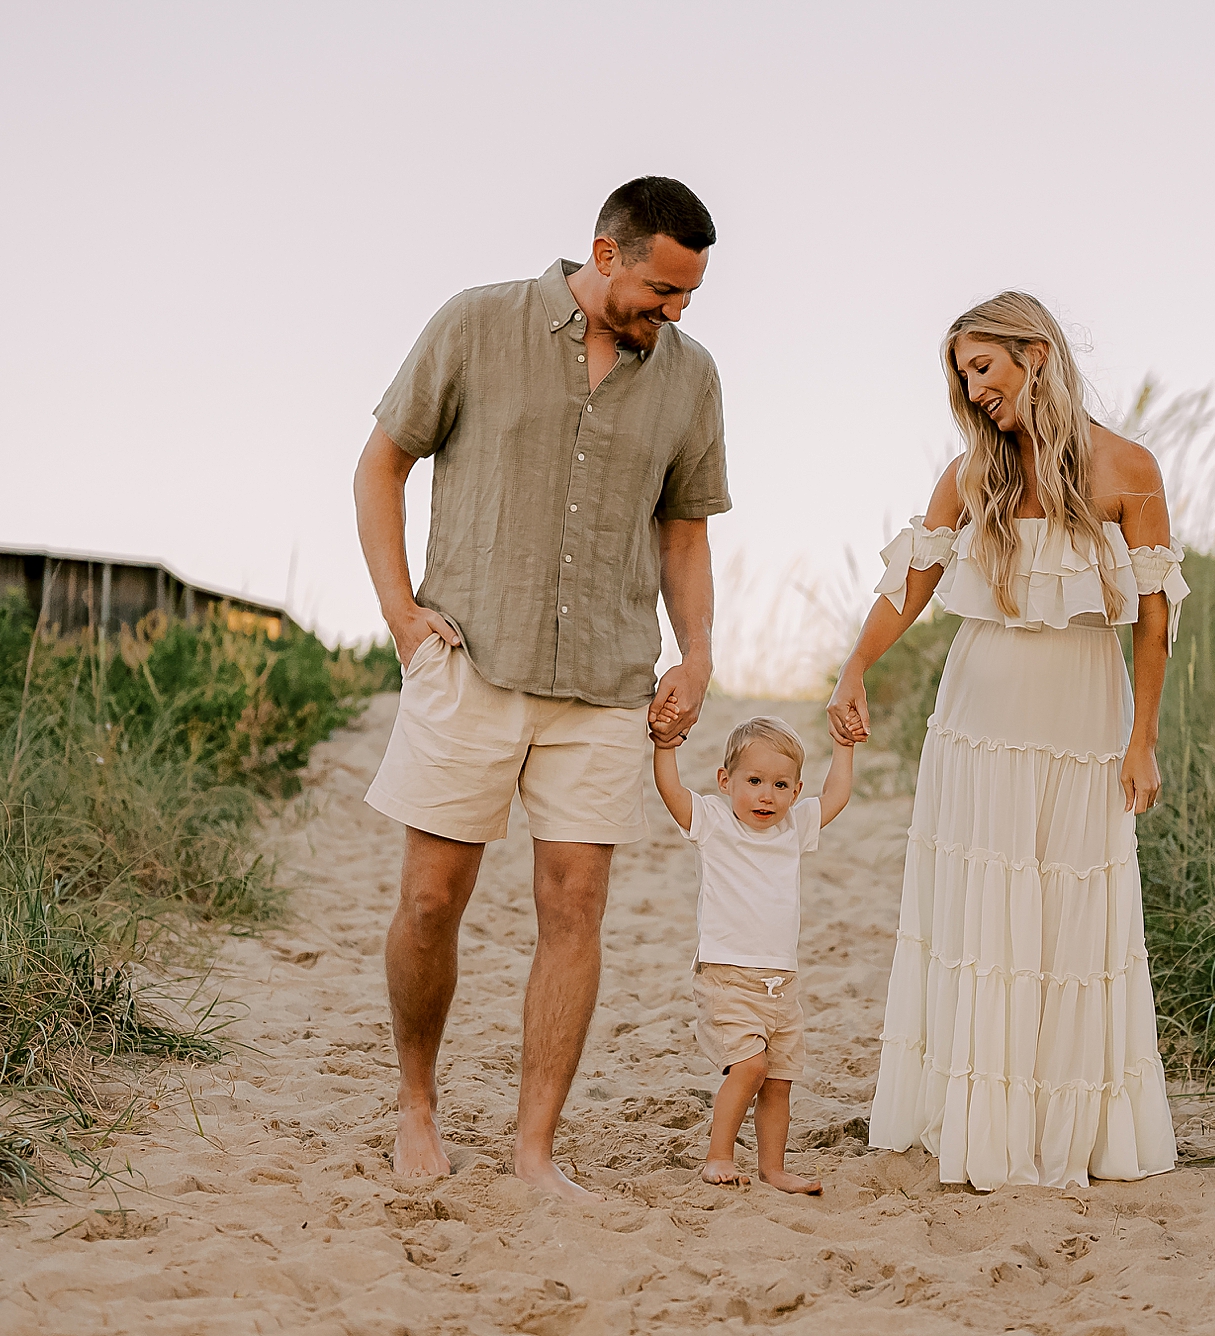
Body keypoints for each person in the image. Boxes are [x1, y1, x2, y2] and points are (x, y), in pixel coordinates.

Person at [352, 177, 730, 1200]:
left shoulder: (690, 378)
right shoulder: (477, 323)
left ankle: (533, 1149)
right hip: (469, 657)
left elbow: (685, 531)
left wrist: (694, 654)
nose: (674, 313)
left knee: (575, 905)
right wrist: (399, 611)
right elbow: (381, 463)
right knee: (431, 900)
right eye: (660, 289)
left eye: (690, 296)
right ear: (605, 254)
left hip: (604, 682)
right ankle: (416, 1106)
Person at [827, 291, 1188, 1191]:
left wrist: (1141, 741)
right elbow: (909, 588)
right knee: (986, 912)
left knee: (1071, 913)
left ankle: (1062, 1125)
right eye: (963, 378)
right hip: (980, 720)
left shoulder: (1127, 469)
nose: (975, 391)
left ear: (1035, 352)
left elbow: (1154, 622)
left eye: (983, 368)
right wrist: (854, 667)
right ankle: (980, 1116)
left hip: (1081, 717)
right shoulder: (969, 476)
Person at [651, 715, 854, 1194]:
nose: (767, 795)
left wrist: (843, 746)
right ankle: (718, 1155)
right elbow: (673, 792)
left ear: (796, 789)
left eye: (781, 785)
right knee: (749, 1067)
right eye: (755, 781)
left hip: (782, 982)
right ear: (726, 782)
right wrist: (664, 747)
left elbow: (836, 796)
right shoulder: (716, 822)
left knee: (779, 1079)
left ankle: (773, 1167)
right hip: (727, 975)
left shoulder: (794, 828)